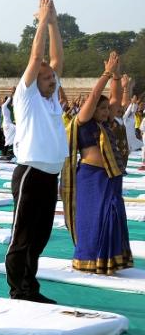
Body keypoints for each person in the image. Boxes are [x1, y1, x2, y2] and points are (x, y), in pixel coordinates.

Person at [6, 0, 68, 304]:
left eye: (53, 79)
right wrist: (41, 22)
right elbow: (37, 59)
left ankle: (30, 287)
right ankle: (19, 290)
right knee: (23, 237)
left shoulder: (52, 97)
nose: (52, 81)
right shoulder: (27, 96)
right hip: (30, 172)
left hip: (50, 175)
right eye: (46, 78)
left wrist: (55, 23)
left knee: (40, 237)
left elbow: (57, 61)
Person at [61, 52, 133, 275]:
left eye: (106, 109)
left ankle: (109, 261)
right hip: (91, 177)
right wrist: (106, 74)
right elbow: (94, 96)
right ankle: (89, 259)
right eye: (101, 109)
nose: (106, 112)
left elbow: (116, 98)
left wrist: (117, 76)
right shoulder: (83, 122)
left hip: (110, 175)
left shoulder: (107, 122)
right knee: (94, 217)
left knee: (112, 215)